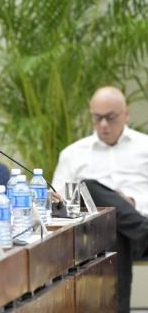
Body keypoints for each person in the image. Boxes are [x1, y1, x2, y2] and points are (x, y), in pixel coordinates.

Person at [52, 86, 148, 313]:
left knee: (115, 223)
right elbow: (57, 202)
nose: (103, 124)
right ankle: (143, 231)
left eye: (110, 117)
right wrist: (112, 206)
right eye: (97, 118)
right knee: (90, 188)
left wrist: (131, 203)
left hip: (137, 224)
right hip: (95, 238)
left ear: (126, 114)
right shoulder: (73, 154)